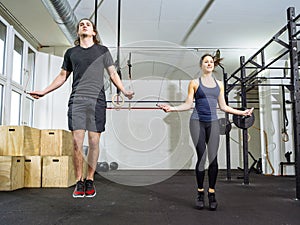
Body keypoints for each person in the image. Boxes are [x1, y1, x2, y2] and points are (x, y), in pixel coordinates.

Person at [30, 18, 134, 198]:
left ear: (94, 32)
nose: (84, 25)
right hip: (77, 100)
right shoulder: (71, 53)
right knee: (77, 143)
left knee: (94, 142)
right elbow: (62, 76)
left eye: (87, 24)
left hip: (97, 101)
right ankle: (79, 180)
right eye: (81, 24)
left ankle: (90, 180)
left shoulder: (102, 51)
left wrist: (124, 90)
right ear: (78, 32)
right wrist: (44, 91)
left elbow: (112, 73)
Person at [158, 53, 253, 210]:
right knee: (201, 159)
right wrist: (171, 108)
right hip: (197, 122)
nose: (209, 64)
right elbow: (188, 104)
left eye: (211, 62)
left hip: (213, 123)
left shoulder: (220, 84)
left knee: (214, 160)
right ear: (201, 65)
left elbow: (223, 107)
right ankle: (200, 192)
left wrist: (242, 113)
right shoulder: (194, 83)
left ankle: (212, 193)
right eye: (206, 62)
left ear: (213, 65)